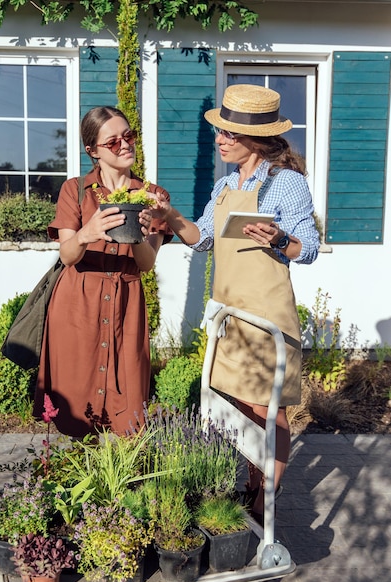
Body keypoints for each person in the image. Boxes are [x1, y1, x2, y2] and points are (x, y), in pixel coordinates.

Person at [152, 84, 320, 524]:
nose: (220, 139)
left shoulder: (287, 185)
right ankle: (247, 486)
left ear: (257, 139)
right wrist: (170, 217)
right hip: (230, 313)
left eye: (229, 134)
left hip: (266, 315)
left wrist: (281, 240)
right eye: (220, 132)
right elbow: (203, 238)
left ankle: (267, 498)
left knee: (268, 411)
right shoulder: (227, 185)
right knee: (237, 407)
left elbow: (312, 248)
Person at [33, 106, 173, 437]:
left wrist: (137, 233)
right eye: (113, 142)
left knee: (127, 404)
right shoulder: (75, 190)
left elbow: (147, 263)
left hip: (126, 303)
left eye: (129, 136)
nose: (125, 145)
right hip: (78, 304)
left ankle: (119, 483)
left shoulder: (152, 196)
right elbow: (68, 255)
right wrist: (87, 231)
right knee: (76, 402)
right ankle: (81, 478)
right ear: (92, 150)